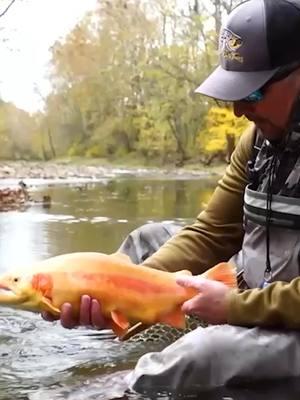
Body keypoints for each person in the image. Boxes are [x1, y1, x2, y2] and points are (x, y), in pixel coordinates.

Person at [43, 0, 300, 391]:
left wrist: (232, 306)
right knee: (146, 241)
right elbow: (211, 234)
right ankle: (110, 334)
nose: (236, 110)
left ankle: (110, 389)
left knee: (203, 355)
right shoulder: (258, 140)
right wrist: (112, 287)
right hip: (252, 287)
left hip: (286, 316)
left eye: (253, 93)